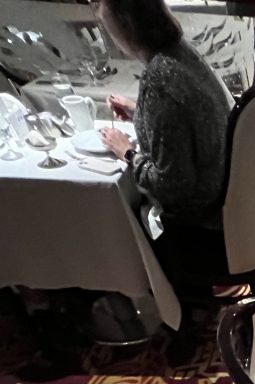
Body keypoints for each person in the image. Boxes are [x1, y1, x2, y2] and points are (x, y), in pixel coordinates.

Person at [93, 0, 232, 277]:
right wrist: (140, 110)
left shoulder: (159, 80)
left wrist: (128, 152)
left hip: (201, 224)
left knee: (109, 221)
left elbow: (172, 185)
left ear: (124, 31)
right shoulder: (181, 53)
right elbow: (186, 117)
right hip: (226, 193)